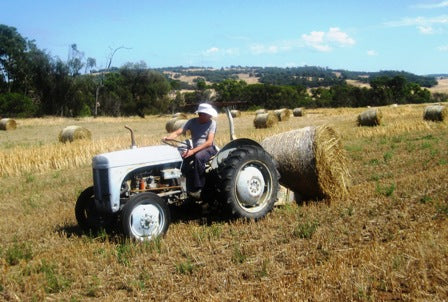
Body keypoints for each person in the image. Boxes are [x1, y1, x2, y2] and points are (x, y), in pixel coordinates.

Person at [163, 103, 218, 198]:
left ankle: (199, 188)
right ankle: (181, 186)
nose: (210, 116)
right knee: (181, 157)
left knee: (198, 157)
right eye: (207, 114)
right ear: (201, 114)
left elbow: (209, 142)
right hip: (196, 149)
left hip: (208, 149)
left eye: (209, 115)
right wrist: (168, 138)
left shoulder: (212, 123)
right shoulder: (192, 122)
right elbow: (178, 132)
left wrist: (192, 151)